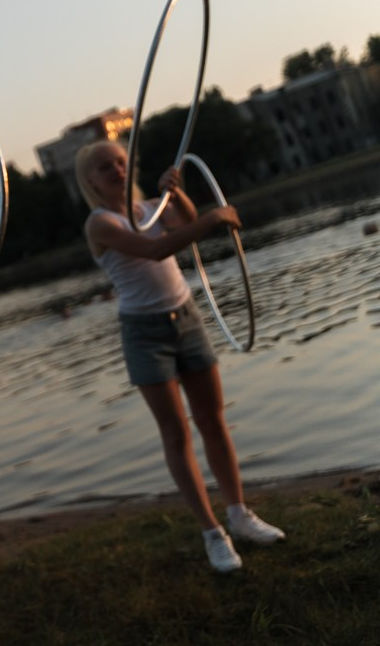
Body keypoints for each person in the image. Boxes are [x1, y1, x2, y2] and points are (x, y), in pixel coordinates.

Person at [74, 140, 285, 572]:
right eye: (104, 167)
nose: (116, 170)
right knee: (176, 434)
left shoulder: (151, 207)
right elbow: (156, 248)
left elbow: (183, 221)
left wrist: (178, 193)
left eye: (120, 161)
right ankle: (213, 533)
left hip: (187, 318)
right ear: (89, 180)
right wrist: (214, 218)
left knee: (213, 420)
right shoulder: (100, 224)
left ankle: (239, 515)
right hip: (144, 334)